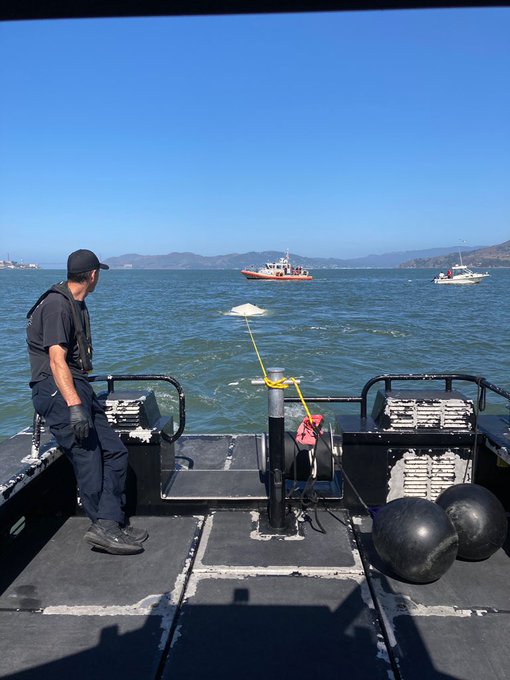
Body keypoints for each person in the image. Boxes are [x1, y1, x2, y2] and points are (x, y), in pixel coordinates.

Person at [26, 249, 148, 555]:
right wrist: (74, 406)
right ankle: (104, 528)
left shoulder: (74, 302)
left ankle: (110, 520)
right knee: (89, 457)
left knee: (115, 452)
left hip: (76, 386)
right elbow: (56, 361)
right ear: (92, 275)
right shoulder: (57, 306)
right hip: (58, 391)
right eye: (99, 273)